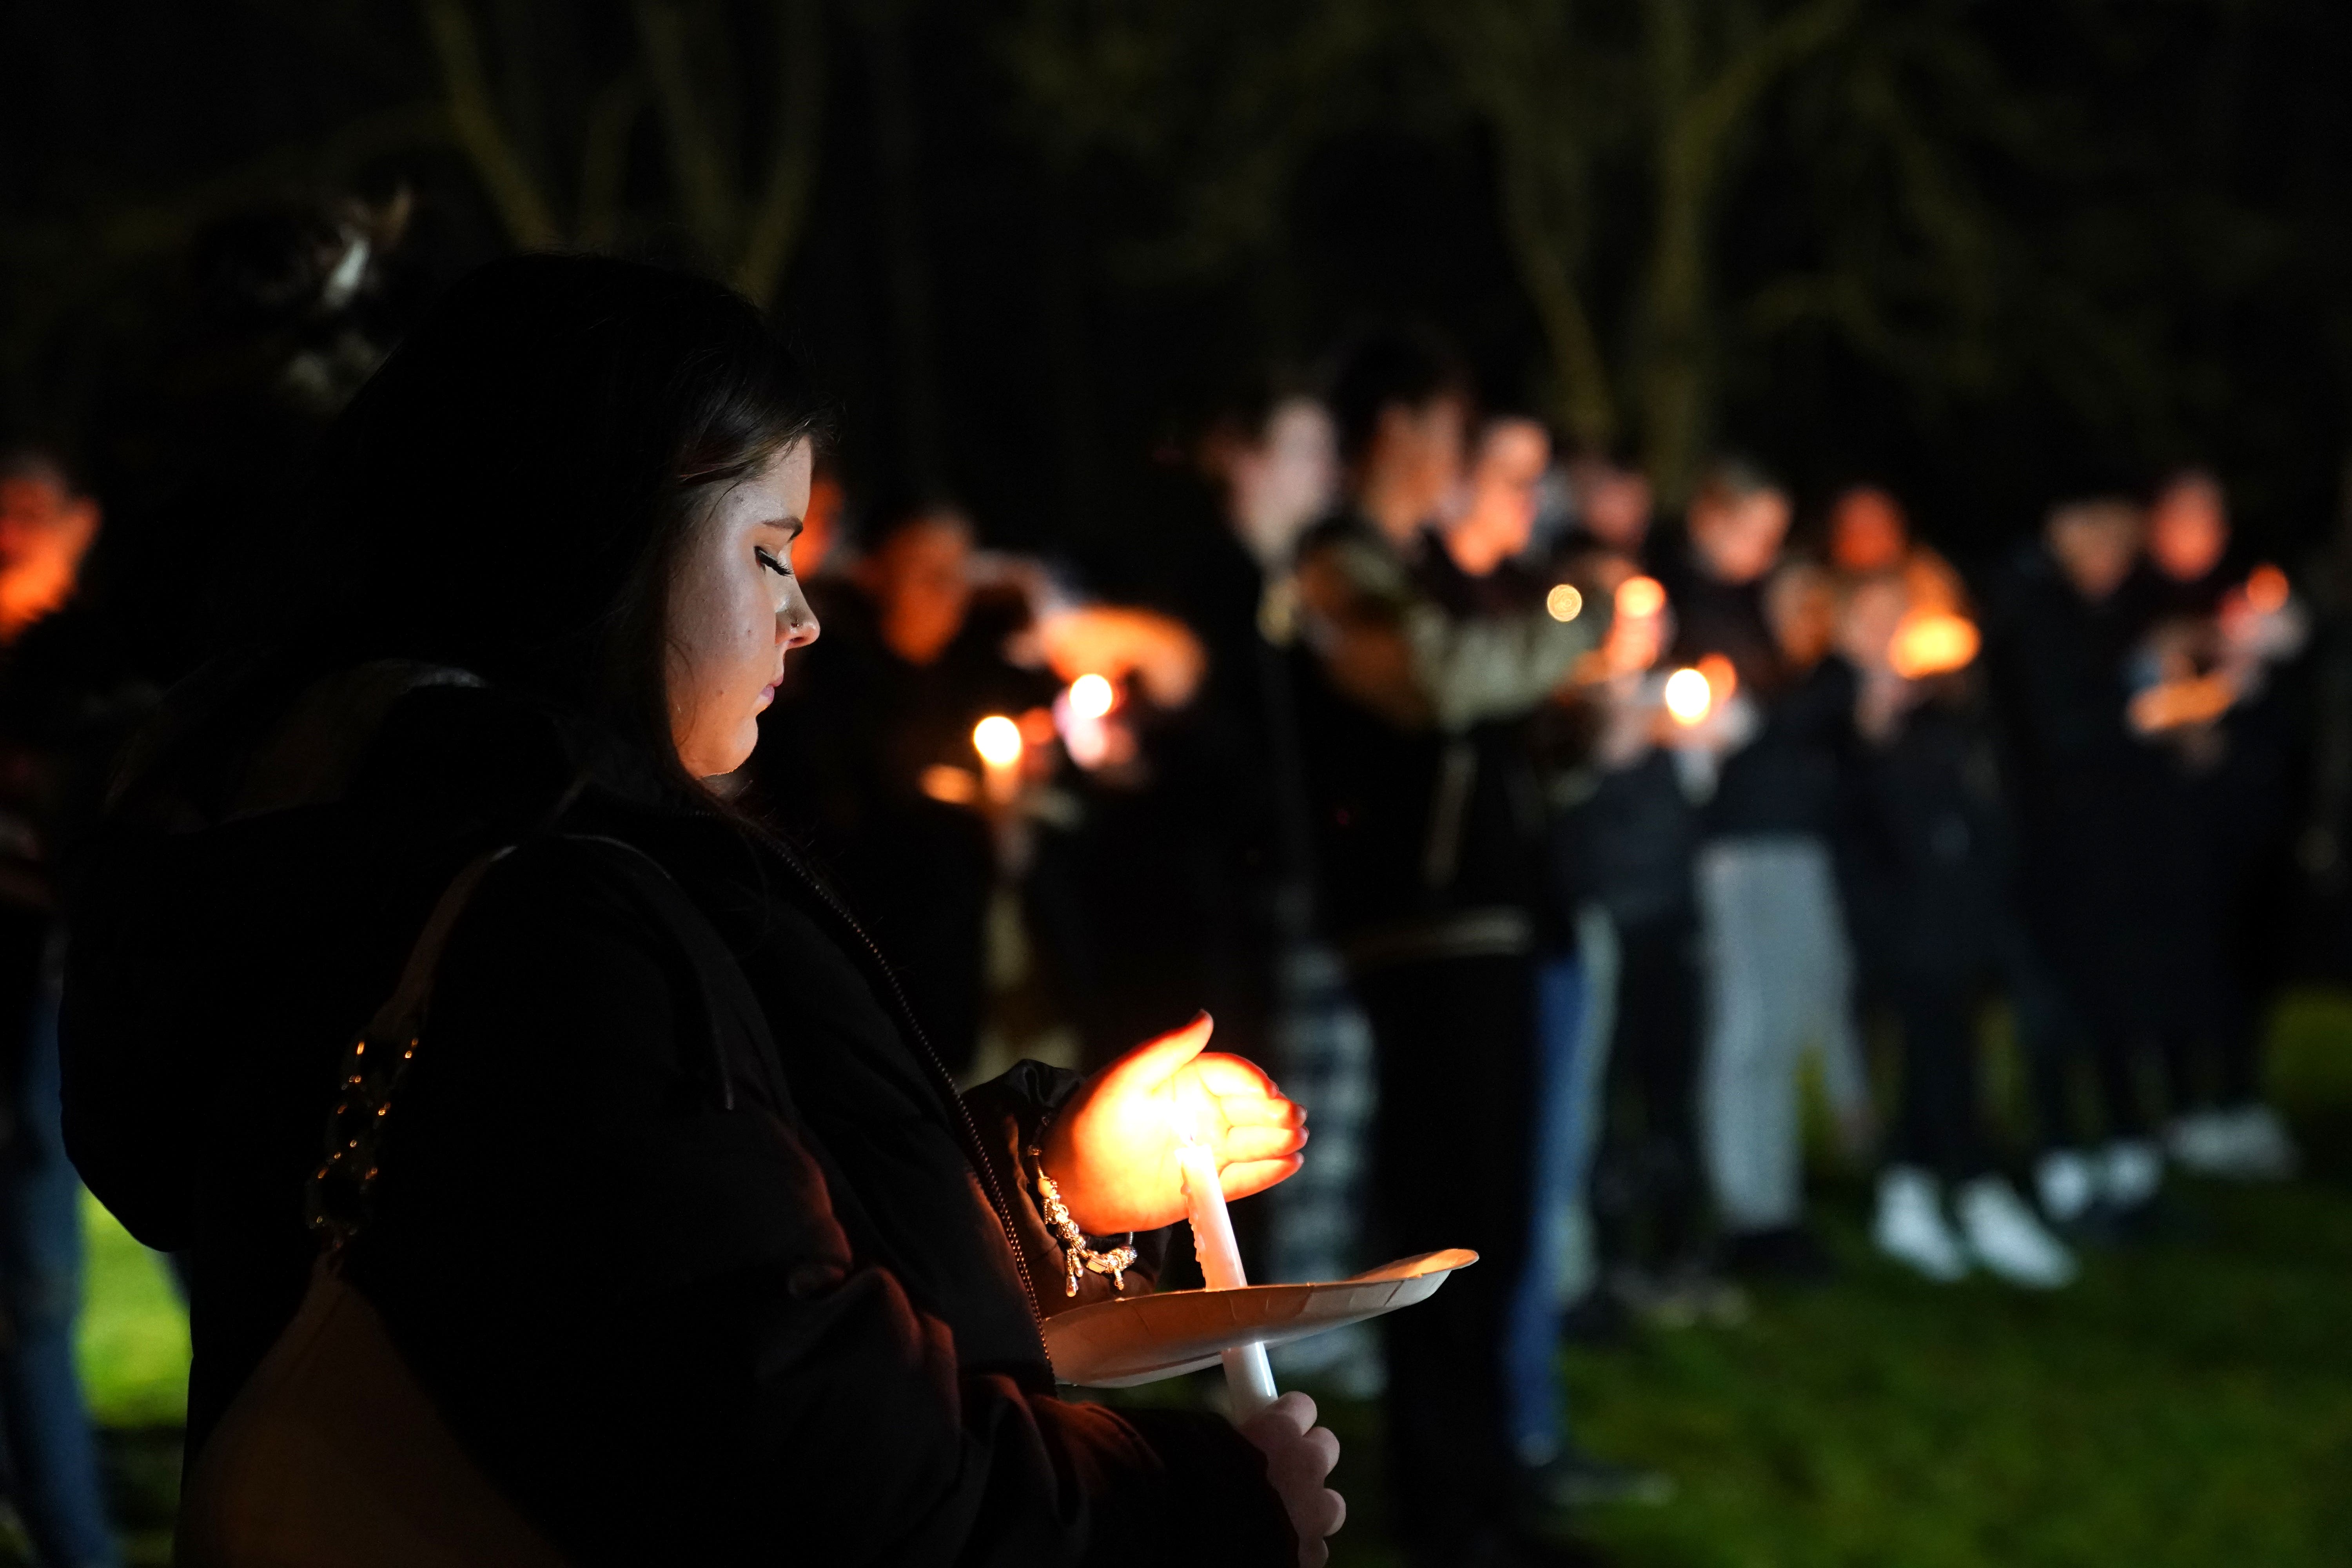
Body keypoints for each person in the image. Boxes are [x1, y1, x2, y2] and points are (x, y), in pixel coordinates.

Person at [61, 256, 1342, 1566]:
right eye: (767, 552)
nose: (802, 620)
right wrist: (1192, 1511)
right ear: (604, 540)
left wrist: (1047, 1187)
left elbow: (692, 1269)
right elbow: (805, 1460)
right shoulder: (548, 928)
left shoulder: (395, 845)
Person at [1286, 327, 1615, 1565]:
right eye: (1444, 429)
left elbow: (1489, 726)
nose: (1457, 458)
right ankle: (1447, 1514)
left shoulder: (1419, 565)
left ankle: (1489, 1498)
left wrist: (1575, 725)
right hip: (1422, 933)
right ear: (1396, 430)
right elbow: (1430, 684)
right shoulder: (1341, 569)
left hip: (1491, 920)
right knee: (1450, 1224)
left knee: (1500, 1219)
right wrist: (1574, 636)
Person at [1829, 563, 2075, 1287]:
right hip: (1895, 911)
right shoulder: (1836, 702)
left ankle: (1909, 1192)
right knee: (1941, 1042)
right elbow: (1841, 795)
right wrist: (1867, 729)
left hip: (1960, 903)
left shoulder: (1942, 704)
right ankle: (1976, 1187)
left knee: (1943, 1041)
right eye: (1874, 620)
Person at [1657, 461, 1866, 1279]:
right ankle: (1747, 1208)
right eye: (1753, 531)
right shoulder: (1683, 603)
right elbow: (1738, 719)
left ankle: (1777, 1202)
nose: (1765, 551)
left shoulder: (1755, 603)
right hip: (1732, 845)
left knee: (1780, 1029)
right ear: (1711, 516)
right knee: (1747, 1031)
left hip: (1787, 832)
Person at [0, 450, 122, 1568]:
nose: (10, 531)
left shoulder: (101, 668)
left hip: (77, 982)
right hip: (32, 998)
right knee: (29, 1289)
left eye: (31, 513)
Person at [1982, 497, 2167, 1228]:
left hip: (2111, 842)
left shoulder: (2113, 610)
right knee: (2052, 1006)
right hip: (2044, 843)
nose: (2112, 558)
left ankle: (2129, 1156)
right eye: (2099, 539)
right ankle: (2061, 1162)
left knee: (2117, 993)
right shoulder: (2032, 610)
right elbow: (2059, 728)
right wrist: (2142, 708)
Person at [2128, 472, 2302, 1180]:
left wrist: (2261, 667)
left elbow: (2278, 711)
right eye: (2184, 517)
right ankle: (2181, 1105)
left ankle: (2240, 1095)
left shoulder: (2247, 601)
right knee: (2177, 959)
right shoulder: (2138, 603)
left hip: (2243, 820)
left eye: (2212, 519)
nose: (2200, 532)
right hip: (2166, 822)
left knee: (2244, 958)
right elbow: (2138, 700)